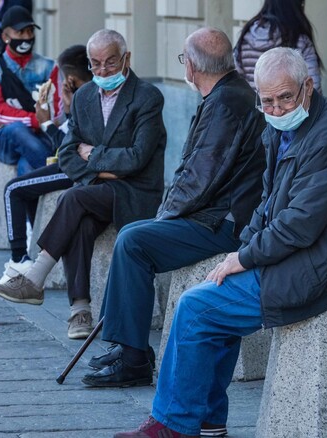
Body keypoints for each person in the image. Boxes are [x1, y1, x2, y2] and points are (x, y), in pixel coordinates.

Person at [114, 47, 327, 438]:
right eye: (268, 101)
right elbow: (265, 205)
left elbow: (299, 225)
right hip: (293, 257)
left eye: (286, 97)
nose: (278, 109)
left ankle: (174, 424)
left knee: (196, 309)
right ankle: (208, 419)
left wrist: (244, 258)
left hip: (317, 266)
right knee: (210, 299)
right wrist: (240, 251)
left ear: (309, 87)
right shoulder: (278, 128)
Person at [81, 27, 266, 390]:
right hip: (218, 214)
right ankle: (127, 346)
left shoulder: (227, 103)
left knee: (135, 241)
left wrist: (164, 216)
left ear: (193, 66)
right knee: (135, 234)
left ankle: (133, 357)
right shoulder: (227, 95)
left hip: (224, 222)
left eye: (184, 59)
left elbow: (200, 177)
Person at [0, 29, 167, 340]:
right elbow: (69, 153)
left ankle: (35, 277)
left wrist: (94, 156)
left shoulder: (147, 97)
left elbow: (137, 159)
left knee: (72, 199)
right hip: (97, 189)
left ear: (126, 59)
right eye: (95, 64)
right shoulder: (85, 96)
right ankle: (80, 311)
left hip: (135, 193)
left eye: (110, 63)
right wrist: (105, 168)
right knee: (80, 222)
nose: (101, 71)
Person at [0, 44, 93, 280]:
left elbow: (68, 146)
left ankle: (19, 259)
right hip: (72, 163)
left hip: (74, 169)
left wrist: (46, 122)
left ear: (69, 78)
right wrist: (67, 110)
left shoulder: (87, 97)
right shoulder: (82, 97)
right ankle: (29, 254)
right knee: (24, 182)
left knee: (13, 189)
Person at [0, 5, 62, 178]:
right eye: (20, 33)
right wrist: (37, 120)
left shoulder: (49, 66)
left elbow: (57, 108)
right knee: (17, 130)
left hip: (42, 137)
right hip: (4, 139)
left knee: (27, 164)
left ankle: (24, 201)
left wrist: (44, 122)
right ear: (5, 37)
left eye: (30, 32)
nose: (27, 37)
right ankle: (61, 173)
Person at [233, 0, 323, 93]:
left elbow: (235, 82)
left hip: (252, 106)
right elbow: (313, 89)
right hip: (290, 107)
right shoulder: (299, 40)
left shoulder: (246, 37)